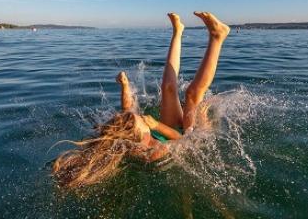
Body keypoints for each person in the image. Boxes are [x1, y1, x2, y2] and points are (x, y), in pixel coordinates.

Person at [52, 12, 230, 189]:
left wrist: (124, 86)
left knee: (168, 87)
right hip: (192, 139)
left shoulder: (129, 134)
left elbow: (127, 109)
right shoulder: (151, 153)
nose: (143, 117)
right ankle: (217, 36)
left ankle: (178, 32)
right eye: (143, 122)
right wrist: (156, 125)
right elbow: (181, 140)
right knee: (192, 95)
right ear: (143, 136)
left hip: (171, 131)